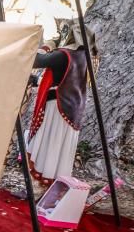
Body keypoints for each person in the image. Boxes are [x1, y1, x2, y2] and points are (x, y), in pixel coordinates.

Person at [27, 21, 97, 185]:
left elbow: (35, 60)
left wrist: (49, 44)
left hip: (57, 107)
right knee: (58, 147)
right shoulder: (84, 58)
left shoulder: (63, 55)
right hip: (72, 110)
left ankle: (38, 187)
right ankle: (50, 185)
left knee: (49, 145)